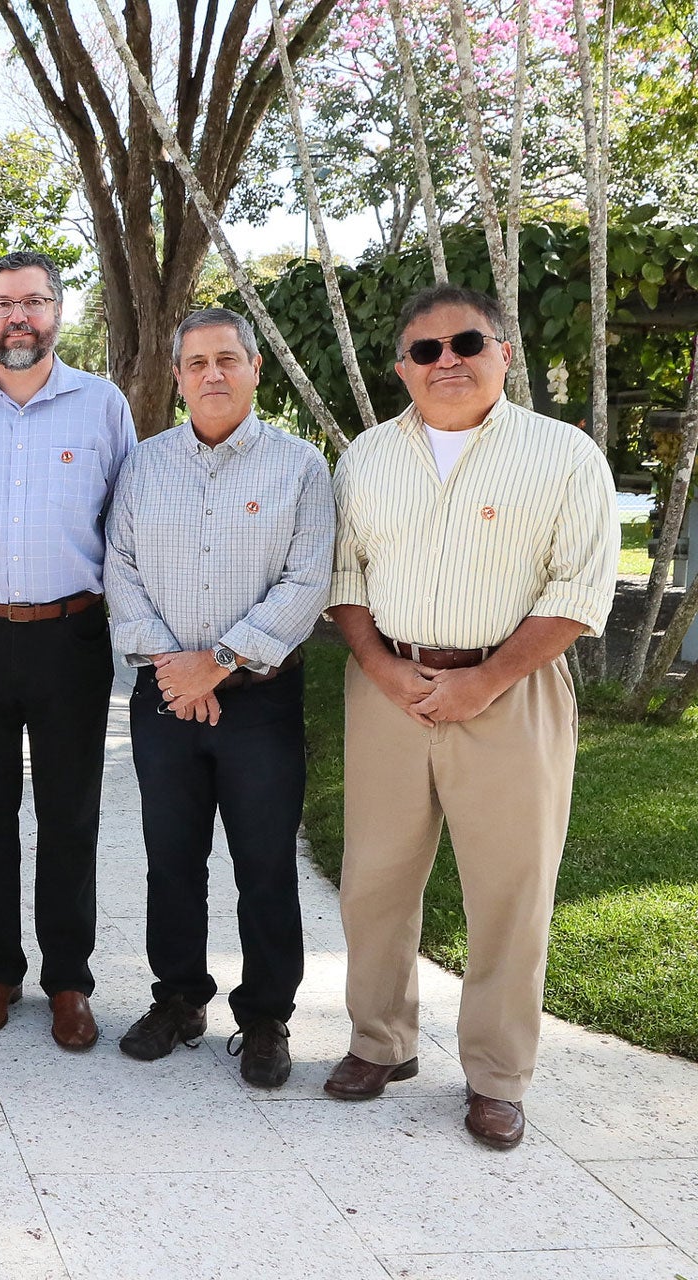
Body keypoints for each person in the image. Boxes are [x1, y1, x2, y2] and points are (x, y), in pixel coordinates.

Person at [326, 284, 617, 1148]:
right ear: (401, 368)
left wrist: (485, 681)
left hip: (512, 693)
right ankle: (380, 1043)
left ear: (503, 353)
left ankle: (497, 1077)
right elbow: (345, 582)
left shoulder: (565, 456)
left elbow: (579, 589)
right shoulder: (366, 459)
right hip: (388, 690)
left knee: (510, 892)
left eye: (465, 342)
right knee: (374, 882)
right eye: (424, 350)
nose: (445, 360)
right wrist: (380, 668)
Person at [104, 307, 333, 1087]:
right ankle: (178, 999)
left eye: (227, 359)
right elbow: (121, 569)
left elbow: (307, 582)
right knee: (171, 860)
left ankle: (267, 1017)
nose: (212, 374)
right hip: (164, 692)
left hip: (261, 701)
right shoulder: (143, 465)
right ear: (177, 378)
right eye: (196, 362)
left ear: (256, 367)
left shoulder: (300, 467)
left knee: (264, 862)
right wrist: (178, 668)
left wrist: (222, 664)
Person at [0, 250, 137, 1049]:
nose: (19, 317)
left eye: (35, 302)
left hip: (72, 637)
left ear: (58, 312)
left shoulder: (102, 405)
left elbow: (126, 521)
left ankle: (68, 980)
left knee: (69, 816)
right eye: (4, 303)